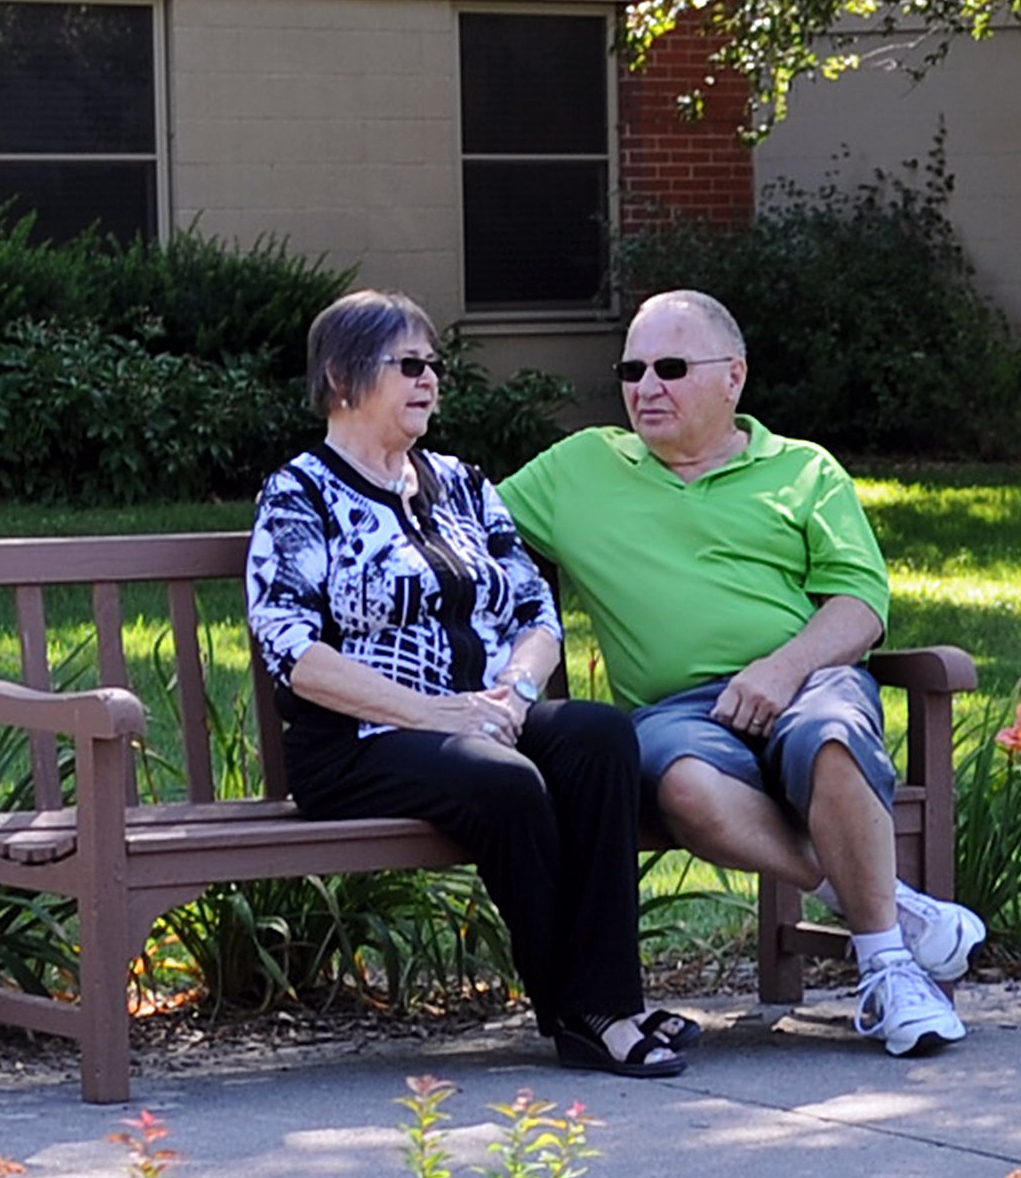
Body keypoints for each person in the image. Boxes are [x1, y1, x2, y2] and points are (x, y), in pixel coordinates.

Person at [499, 288, 986, 1057]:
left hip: (806, 679)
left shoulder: (803, 471)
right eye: (632, 368)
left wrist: (780, 669)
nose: (646, 387)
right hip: (672, 713)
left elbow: (860, 603)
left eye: (671, 367)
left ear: (734, 377)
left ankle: (886, 971)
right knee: (683, 787)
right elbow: (461, 530)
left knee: (831, 739)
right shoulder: (578, 470)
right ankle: (890, 914)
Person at [244, 288, 692, 1076]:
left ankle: (604, 1003)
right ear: (344, 379)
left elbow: (535, 610)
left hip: (482, 718)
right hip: (359, 741)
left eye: (435, 366)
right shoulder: (301, 494)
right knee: (506, 783)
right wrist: (434, 713)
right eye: (409, 364)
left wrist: (515, 694)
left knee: (596, 737)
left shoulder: (460, 483)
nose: (430, 380)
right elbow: (291, 649)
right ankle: (594, 1013)